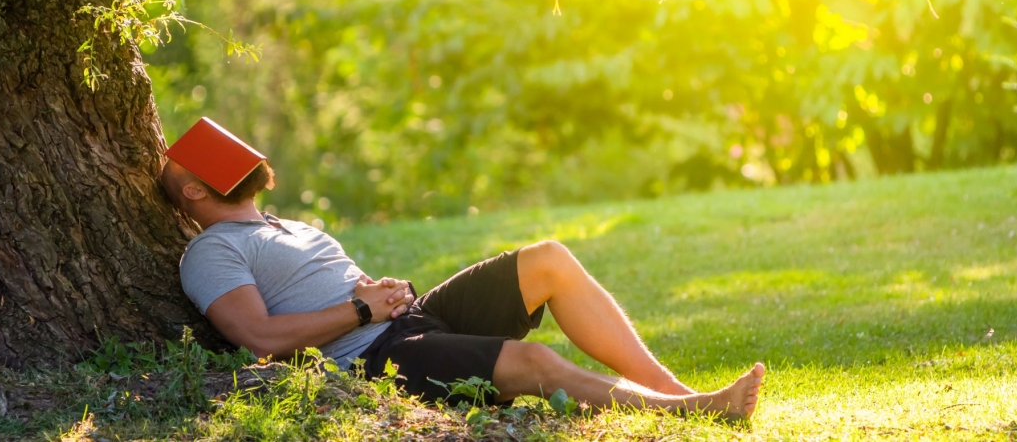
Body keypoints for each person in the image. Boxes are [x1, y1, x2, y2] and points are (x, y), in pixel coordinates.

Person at [159, 120, 765, 419]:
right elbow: (259, 339)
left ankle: (671, 388)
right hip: (375, 359)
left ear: (191, 187)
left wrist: (381, 295)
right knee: (533, 364)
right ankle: (697, 411)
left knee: (549, 259)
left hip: (410, 319)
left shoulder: (279, 225)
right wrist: (362, 308)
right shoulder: (211, 252)